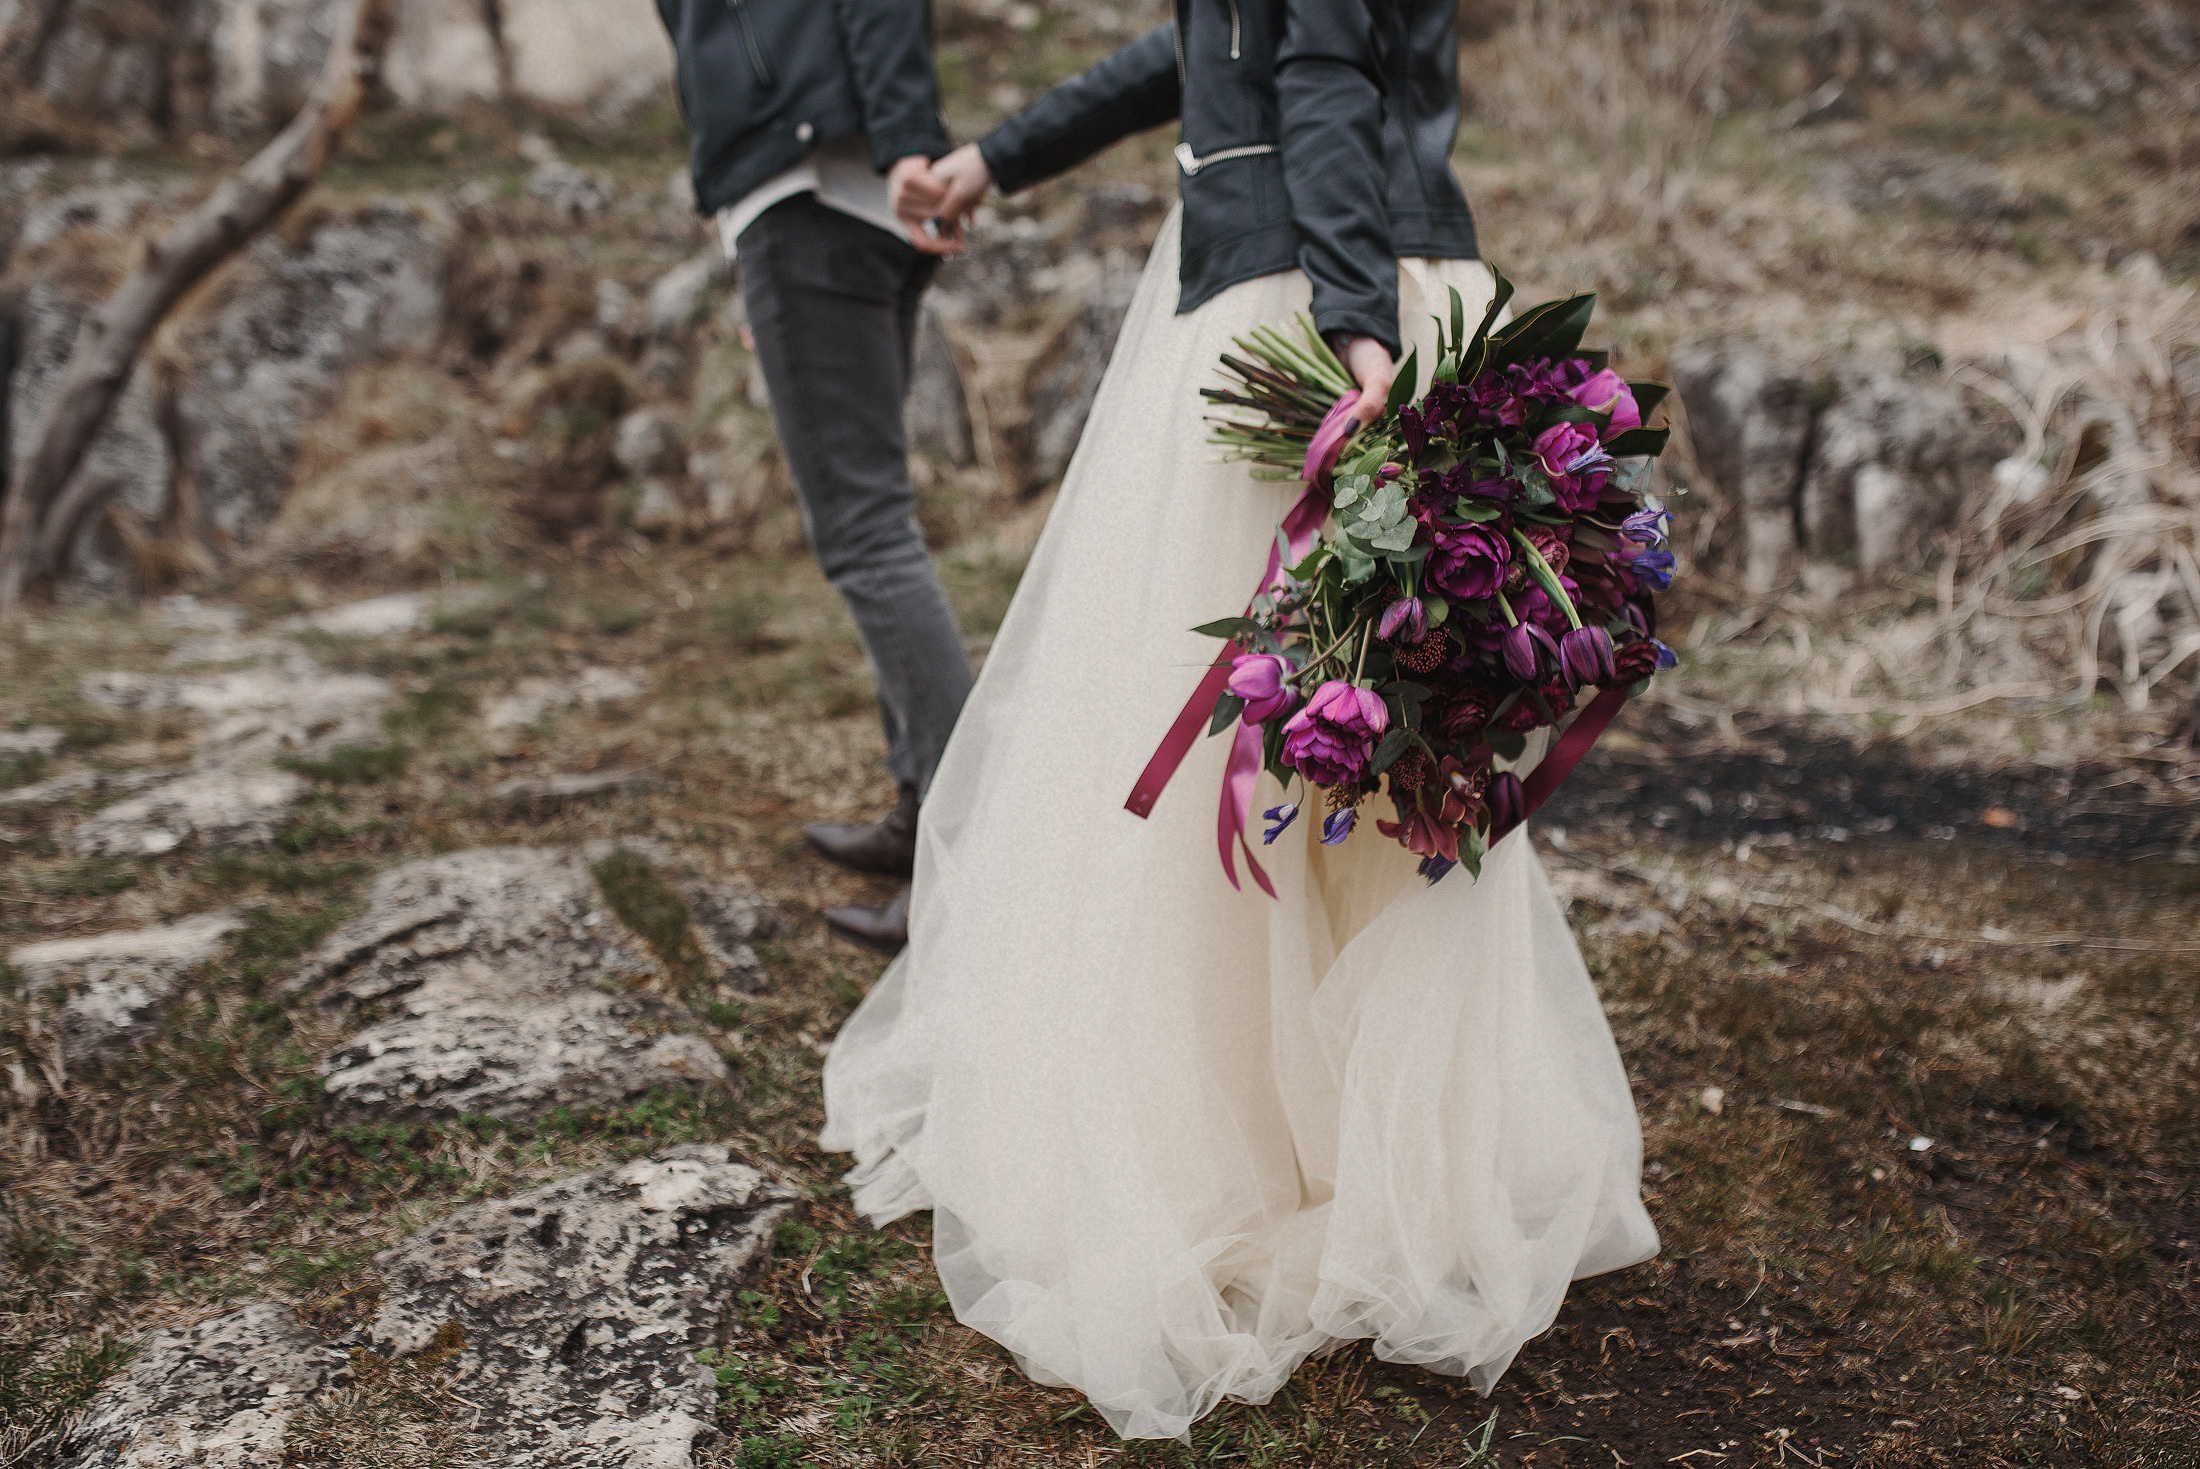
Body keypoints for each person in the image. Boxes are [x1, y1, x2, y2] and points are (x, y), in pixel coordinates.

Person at [824, 0, 1660, 1442]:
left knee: (1303, 733)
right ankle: (1324, 1141)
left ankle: (1274, 1154)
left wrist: (1350, 332)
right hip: (1325, 260)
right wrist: (995, 160)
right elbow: (1215, 43)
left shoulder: (1333, 289)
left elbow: (1326, 60)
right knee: (1350, 742)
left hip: (1317, 291)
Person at [655, 0, 974, 951]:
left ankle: (972, 847)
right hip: (826, 194)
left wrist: (908, 133)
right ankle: (923, 802)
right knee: (876, 525)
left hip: (812, 195)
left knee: (865, 534)